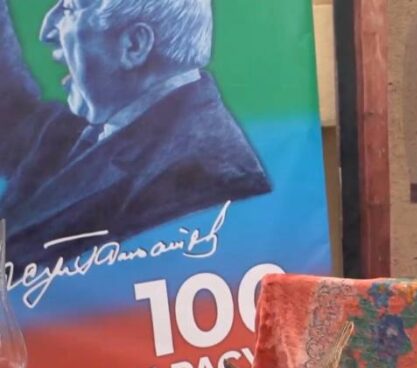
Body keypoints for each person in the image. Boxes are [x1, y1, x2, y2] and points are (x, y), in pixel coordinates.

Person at [0, 0, 271, 269]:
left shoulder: (208, 180)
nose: (46, 31)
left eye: (70, 9)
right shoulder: (85, 129)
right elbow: (9, 108)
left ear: (134, 45)